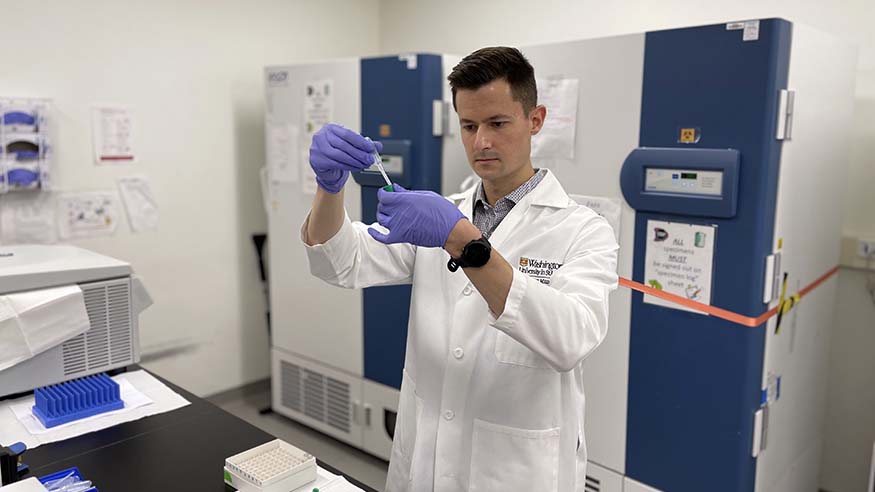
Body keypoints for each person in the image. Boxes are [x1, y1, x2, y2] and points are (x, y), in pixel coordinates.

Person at [302, 46, 618, 492]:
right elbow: (344, 261)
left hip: (515, 472)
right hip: (425, 461)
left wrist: (460, 239)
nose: (481, 141)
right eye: (469, 126)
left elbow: (569, 339)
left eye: (497, 123)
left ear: (536, 120)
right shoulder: (442, 214)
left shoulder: (584, 230)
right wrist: (328, 189)